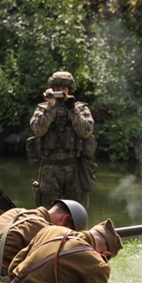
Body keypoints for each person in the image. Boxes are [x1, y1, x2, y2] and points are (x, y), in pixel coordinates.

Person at [27, 71, 97, 208]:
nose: (60, 91)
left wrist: (72, 109)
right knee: (48, 211)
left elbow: (86, 132)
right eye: (56, 88)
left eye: (63, 89)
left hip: (74, 168)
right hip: (49, 168)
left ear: (69, 89)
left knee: (75, 210)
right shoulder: (43, 108)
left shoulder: (80, 109)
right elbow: (38, 130)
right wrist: (50, 107)